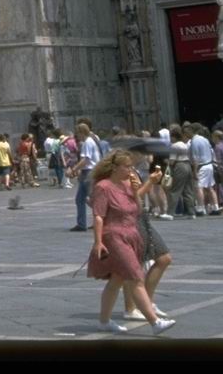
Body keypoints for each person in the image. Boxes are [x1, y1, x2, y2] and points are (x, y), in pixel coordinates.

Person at [88, 150, 174, 333]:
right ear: (115, 168)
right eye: (127, 166)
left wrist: (138, 189)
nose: (131, 170)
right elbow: (98, 216)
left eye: (131, 166)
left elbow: (137, 208)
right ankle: (155, 321)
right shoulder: (103, 187)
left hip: (132, 234)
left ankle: (104, 321)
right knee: (135, 276)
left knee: (117, 279)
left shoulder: (128, 184)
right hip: (114, 236)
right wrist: (98, 241)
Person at [118, 161, 173, 322]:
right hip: (131, 220)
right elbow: (132, 199)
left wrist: (150, 181)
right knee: (134, 266)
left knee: (164, 258)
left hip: (141, 218)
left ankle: (146, 302)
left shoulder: (131, 169)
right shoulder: (122, 172)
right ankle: (131, 308)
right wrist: (150, 182)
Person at [69, 121, 102, 230]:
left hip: (89, 172)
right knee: (81, 198)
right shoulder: (92, 140)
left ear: (81, 132)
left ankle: (101, 219)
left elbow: (86, 160)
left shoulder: (87, 142)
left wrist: (74, 169)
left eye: (77, 133)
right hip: (88, 172)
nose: (76, 136)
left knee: (92, 199)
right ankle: (82, 223)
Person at [188, 124, 219, 215]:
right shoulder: (205, 139)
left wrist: (194, 171)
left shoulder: (194, 141)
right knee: (210, 187)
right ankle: (215, 207)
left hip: (201, 166)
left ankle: (201, 208)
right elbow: (211, 151)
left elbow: (195, 158)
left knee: (199, 187)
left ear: (192, 130)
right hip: (209, 164)